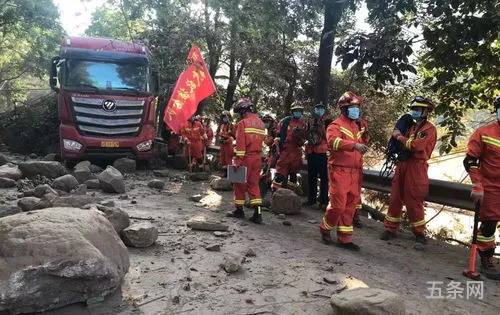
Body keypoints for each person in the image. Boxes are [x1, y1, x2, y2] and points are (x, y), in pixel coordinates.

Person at [380, 96, 437, 250]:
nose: (415, 112)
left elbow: (417, 146)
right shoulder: (411, 127)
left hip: (416, 167)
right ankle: (390, 228)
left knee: (414, 200)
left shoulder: (429, 129)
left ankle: (419, 234)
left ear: (426, 112)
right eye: (414, 109)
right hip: (403, 164)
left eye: (418, 109)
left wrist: (399, 137)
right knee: (395, 197)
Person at [319, 91, 369, 251]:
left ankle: (345, 238)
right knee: (338, 206)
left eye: (357, 107)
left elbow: (361, 143)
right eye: (353, 107)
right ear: (344, 109)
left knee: (350, 205)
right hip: (339, 170)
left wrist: (362, 147)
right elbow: (333, 142)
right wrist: (353, 145)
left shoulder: (357, 126)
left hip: (354, 171)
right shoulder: (335, 125)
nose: (356, 110)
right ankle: (325, 228)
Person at [462, 96, 500, 280]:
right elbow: (470, 161)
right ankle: (487, 261)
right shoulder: (484, 133)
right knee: (489, 225)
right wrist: (477, 183)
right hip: (491, 187)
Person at [227, 98, 266, 224]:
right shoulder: (260, 123)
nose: (239, 115)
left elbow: (240, 145)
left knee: (239, 183)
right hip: (257, 158)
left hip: (246, 158)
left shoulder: (243, 123)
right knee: (254, 185)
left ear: (243, 110)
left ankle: (239, 210)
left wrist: (238, 162)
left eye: (239, 112)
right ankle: (258, 214)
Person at [271, 102, 307, 191]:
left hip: (296, 153)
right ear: (292, 111)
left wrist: (299, 137)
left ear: (302, 112)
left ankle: (290, 196)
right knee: (279, 175)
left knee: (293, 176)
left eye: (299, 111)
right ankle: (275, 193)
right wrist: (278, 147)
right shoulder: (285, 121)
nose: (297, 112)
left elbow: (304, 139)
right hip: (285, 152)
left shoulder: (303, 124)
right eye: (296, 111)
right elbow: (278, 135)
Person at [304, 102, 329, 209]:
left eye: (321, 109)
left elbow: (328, 136)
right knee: (311, 177)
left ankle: (323, 201)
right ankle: (311, 199)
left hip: (323, 153)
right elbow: (306, 135)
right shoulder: (310, 121)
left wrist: (320, 127)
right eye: (317, 109)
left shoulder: (329, 122)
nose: (319, 111)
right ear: (314, 110)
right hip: (311, 152)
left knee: (324, 178)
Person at [353, 117, 369, 228]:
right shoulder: (340, 124)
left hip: (357, 161)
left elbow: (366, 138)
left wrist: (363, 146)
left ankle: (355, 216)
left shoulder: (362, 123)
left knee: (356, 191)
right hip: (344, 163)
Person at [218, 111, 235, 176]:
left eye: (225, 117)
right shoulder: (222, 126)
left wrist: (227, 140)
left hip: (228, 145)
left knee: (228, 159)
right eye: (223, 117)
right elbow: (220, 134)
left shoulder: (231, 126)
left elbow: (234, 137)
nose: (224, 118)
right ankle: (224, 172)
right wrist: (220, 139)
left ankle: (229, 174)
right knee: (222, 159)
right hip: (222, 145)